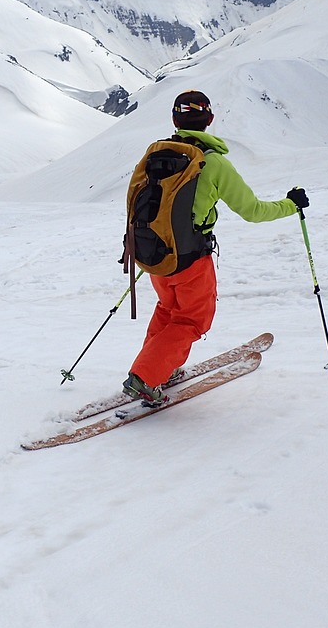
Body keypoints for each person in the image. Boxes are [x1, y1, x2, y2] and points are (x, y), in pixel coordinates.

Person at [123, 91, 307, 405]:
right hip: (191, 260)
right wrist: (290, 205)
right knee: (192, 320)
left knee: (168, 310)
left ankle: (160, 369)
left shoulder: (155, 154)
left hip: (155, 256)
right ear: (209, 120)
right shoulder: (213, 163)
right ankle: (146, 377)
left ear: (175, 120)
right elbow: (253, 211)